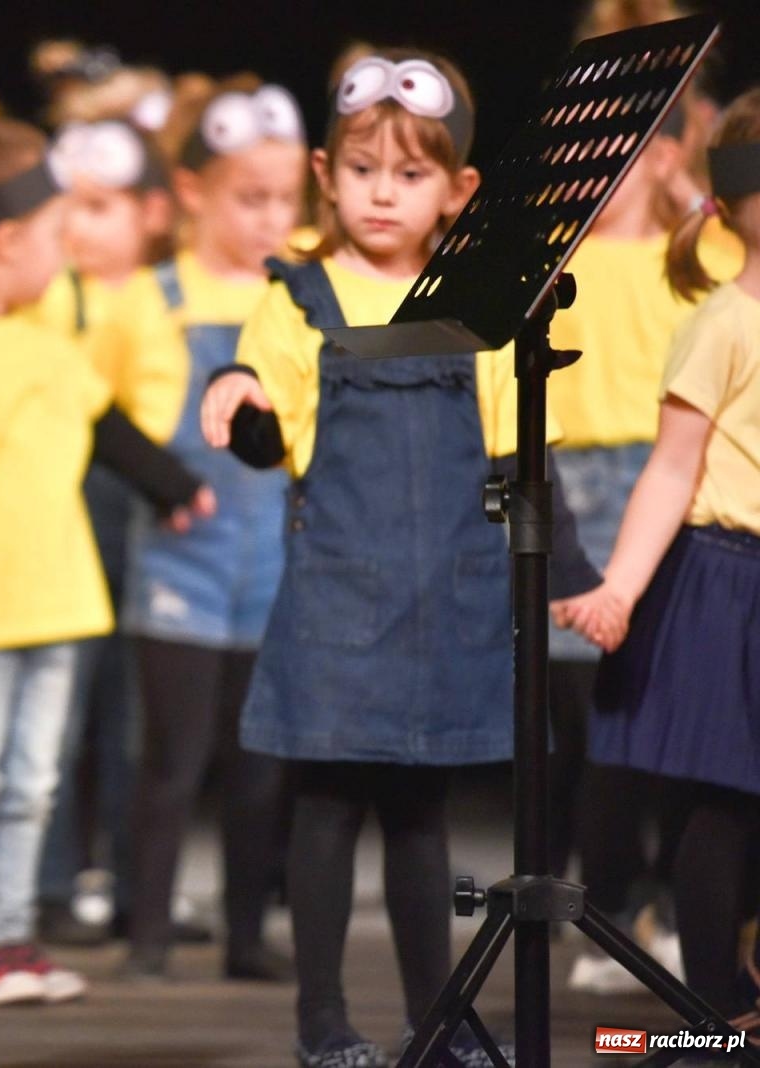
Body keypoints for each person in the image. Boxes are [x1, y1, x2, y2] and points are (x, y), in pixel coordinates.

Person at [199, 47, 596, 1067]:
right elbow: (264, 411)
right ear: (325, 175)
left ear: (457, 190)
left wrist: (573, 576)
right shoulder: (300, 297)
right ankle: (323, 1025)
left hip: (439, 602)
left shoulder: (482, 309)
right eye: (363, 169)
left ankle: (439, 1019)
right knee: (327, 810)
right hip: (338, 603)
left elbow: (520, 454)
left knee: (422, 818)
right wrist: (236, 397)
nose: (383, 193)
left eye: (410, 174)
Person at [0, 115, 209, 1010]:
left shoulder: (48, 340)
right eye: (56, 234)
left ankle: (13, 935)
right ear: (6, 240)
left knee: (32, 783)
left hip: (56, 595)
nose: (67, 254)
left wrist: (175, 486)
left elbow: (104, 424)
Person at [91, 75, 306, 983]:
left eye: (286, 200)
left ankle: (248, 937)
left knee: (260, 762)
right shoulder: (152, 297)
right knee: (172, 759)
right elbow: (91, 407)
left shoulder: (300, 296)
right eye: (250, 199)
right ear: (192, 192)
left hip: (278, 562)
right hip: (183, 562)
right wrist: (166, 479)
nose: (272, 219)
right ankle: (147, 936)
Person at [555, 87, 760, 1032]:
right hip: (728, 580)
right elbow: (671, 471)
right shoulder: (723, 323)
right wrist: (620, 590)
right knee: (722, 800)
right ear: (738, 204)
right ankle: (710, 1007)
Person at [30, 116, 175, 949]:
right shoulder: (46, 293)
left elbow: (157, 402)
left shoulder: (161, 295)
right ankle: (52, 886)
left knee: (133, 715)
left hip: (141, 508)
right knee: (60, 705)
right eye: (68, 206)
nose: (80, 227)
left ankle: (130, 883)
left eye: (100, 206)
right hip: (62, 505)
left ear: (150, 212)